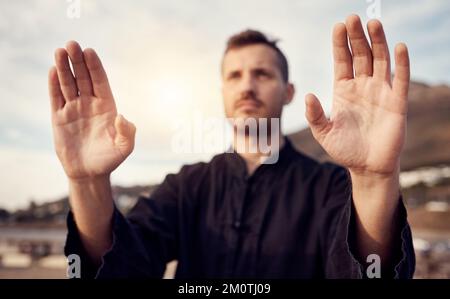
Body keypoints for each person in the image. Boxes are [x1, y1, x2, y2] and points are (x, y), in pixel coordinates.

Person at [48, 14, 415, 278]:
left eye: (262, 74)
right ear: (222, 92)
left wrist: (372, 179)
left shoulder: (329, 187)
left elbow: (367, 273)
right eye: (234, 76)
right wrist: (86, 183)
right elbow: (124, 267)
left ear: (288, 92)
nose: (246, 87)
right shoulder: (187, 186)